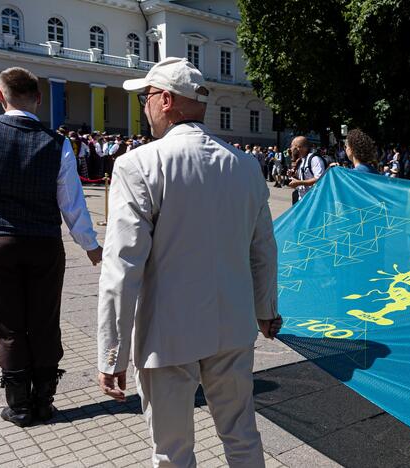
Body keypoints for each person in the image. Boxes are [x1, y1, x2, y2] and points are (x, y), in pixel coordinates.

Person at [97, 57, 282, 467]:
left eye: (145, 97)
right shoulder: (245, 165)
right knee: (241, 434)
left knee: (172, 450)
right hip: (232, 325)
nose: (143, 108)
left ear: (165, 99)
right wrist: (266, 310)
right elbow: (263, 249)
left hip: (169, 333)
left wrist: (112, 352)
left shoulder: (138, 164)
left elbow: (122, 266)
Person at [0, 67, 102, 427]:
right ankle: (44, 401)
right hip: (45, 245)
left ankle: (19, 407)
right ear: (39, 98)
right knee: (45, 323)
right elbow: (72, 203)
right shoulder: (56, 141)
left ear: (0, 97)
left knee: (9, 326)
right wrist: (92, 248)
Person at [288, 136, 325, 201]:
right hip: (303, 199)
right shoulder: (301, 160)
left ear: (298, 147)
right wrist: (294, 176)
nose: (290, 149)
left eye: (292, 146)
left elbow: (319, 179)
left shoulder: (314, 159)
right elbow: (305, 177)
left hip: (314, 200)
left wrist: (299, 182)